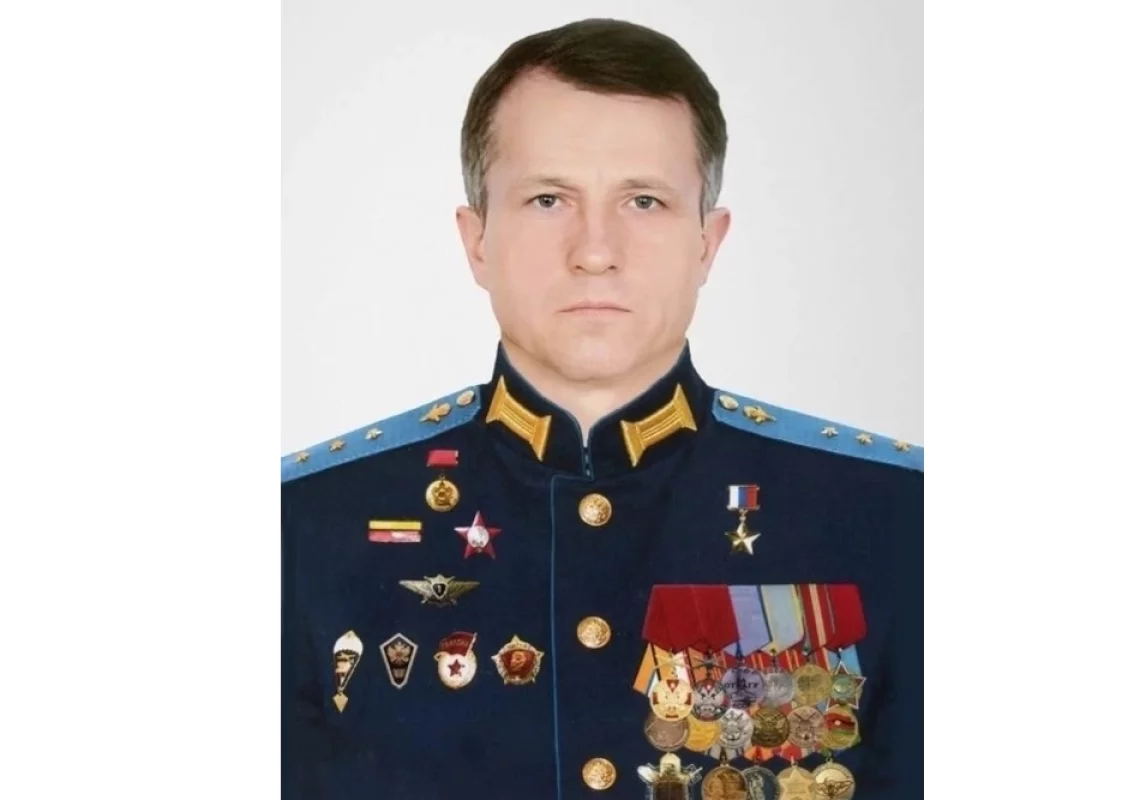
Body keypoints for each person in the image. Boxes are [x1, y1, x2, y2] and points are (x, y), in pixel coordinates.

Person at [282, 17, 922, 800]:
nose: (594, 250)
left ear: (708, 242)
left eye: (644, 201)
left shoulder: (898, 518)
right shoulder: (300, 528)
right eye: (548, 199)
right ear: (476, 241)